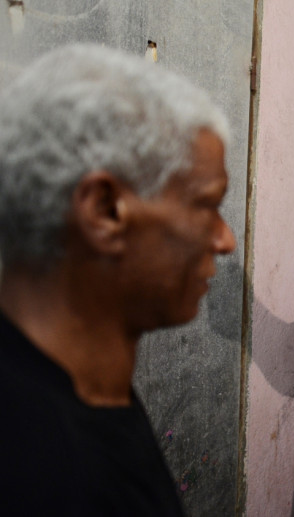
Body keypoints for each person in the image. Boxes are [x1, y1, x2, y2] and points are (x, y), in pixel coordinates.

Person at [0, 44, 236, 516]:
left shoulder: (92, 393)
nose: (225, 240)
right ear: (105, 210)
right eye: (207, 205)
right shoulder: (40, 474)